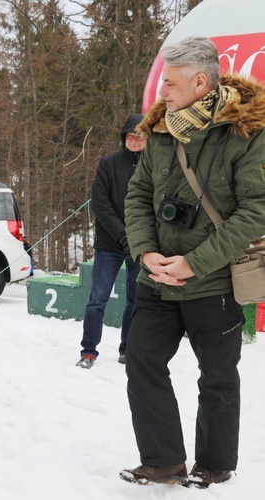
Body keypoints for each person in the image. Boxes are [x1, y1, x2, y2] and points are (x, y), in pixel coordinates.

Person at [120, 37, 265, 487]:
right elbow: (139, 194)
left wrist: (194, 263)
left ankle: (215, 464)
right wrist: (146, 252)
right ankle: (163, 459)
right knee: (142, 358)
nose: (161, 90)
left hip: (214, 282)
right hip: (158, 279)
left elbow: (255, 211)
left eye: (169, 81)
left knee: (218, 377)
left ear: (200, 81)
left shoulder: (247, 132)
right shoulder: (160, 130)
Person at [76, 114, 146, 369]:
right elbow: (100, 203)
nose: (134, 140)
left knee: (135, 299)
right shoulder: (109, 163)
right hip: (109, 244)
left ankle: (128, 348)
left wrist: (137, 238)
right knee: (98, 299)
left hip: (141, 245)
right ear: (123, 138)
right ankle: (89, 351)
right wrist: (123, 235)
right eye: (130, 136)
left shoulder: (153, 165)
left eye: (139, 136)